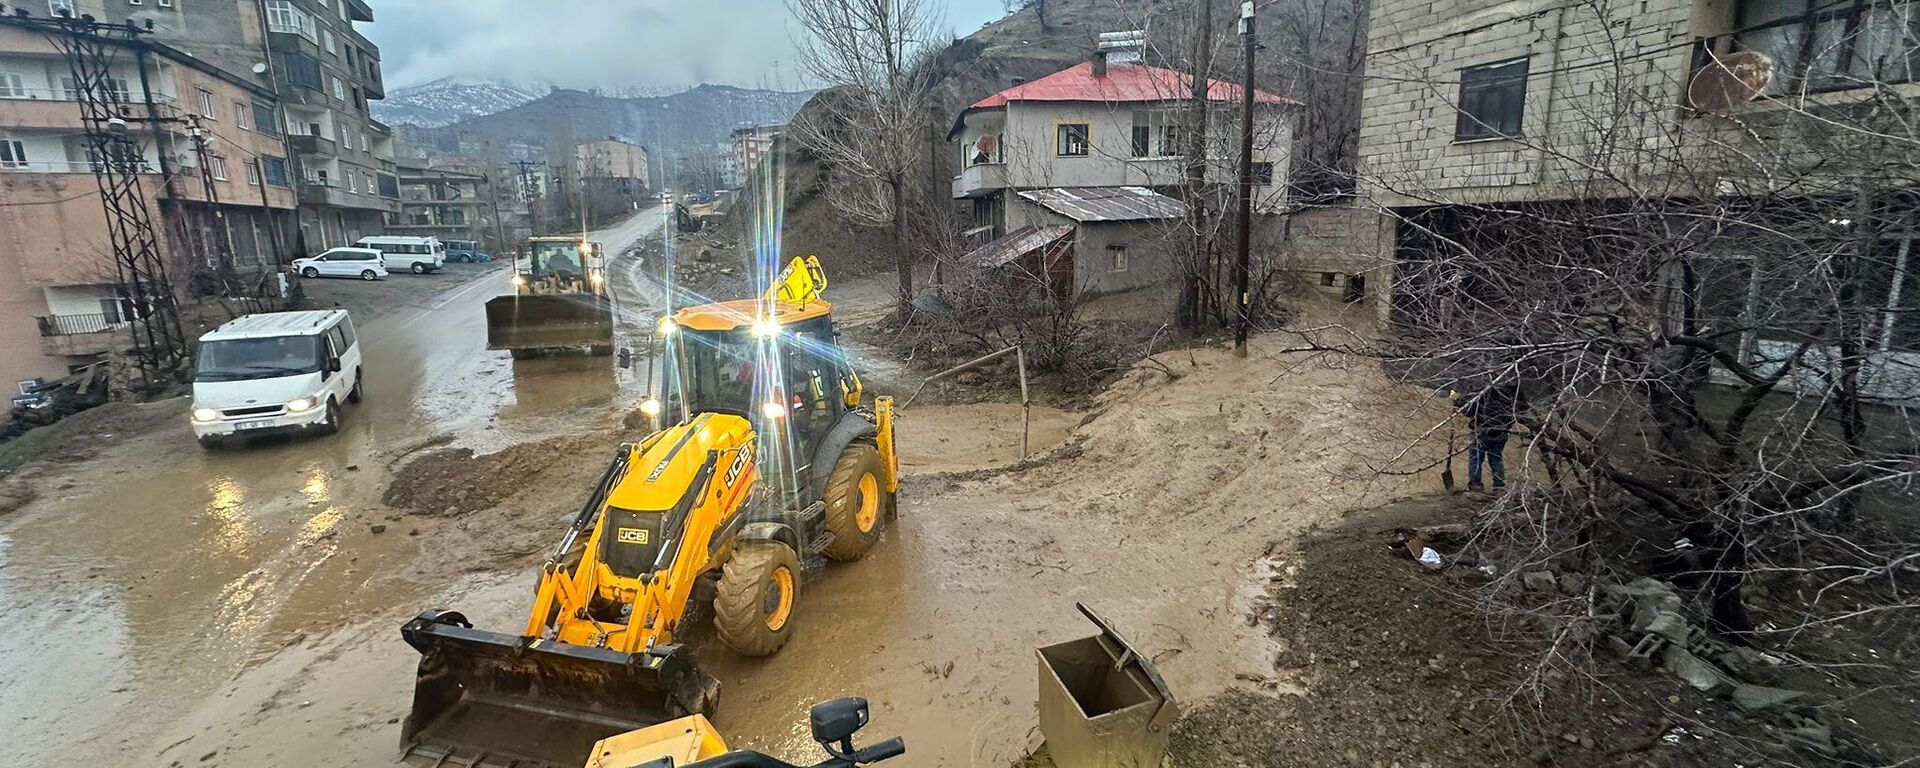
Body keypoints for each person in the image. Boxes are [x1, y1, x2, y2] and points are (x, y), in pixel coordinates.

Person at [1456, 382, 1526, 491]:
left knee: (1476, 458)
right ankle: (1498, 486)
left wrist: (1456, 401)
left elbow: (1467, 410)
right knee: (1496, 458)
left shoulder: (1483, 389)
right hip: (1501, 431)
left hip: (1481, 430)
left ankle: (1476, 486)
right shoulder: (1512, 388)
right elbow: (1523, 407)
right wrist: (1509, 419)